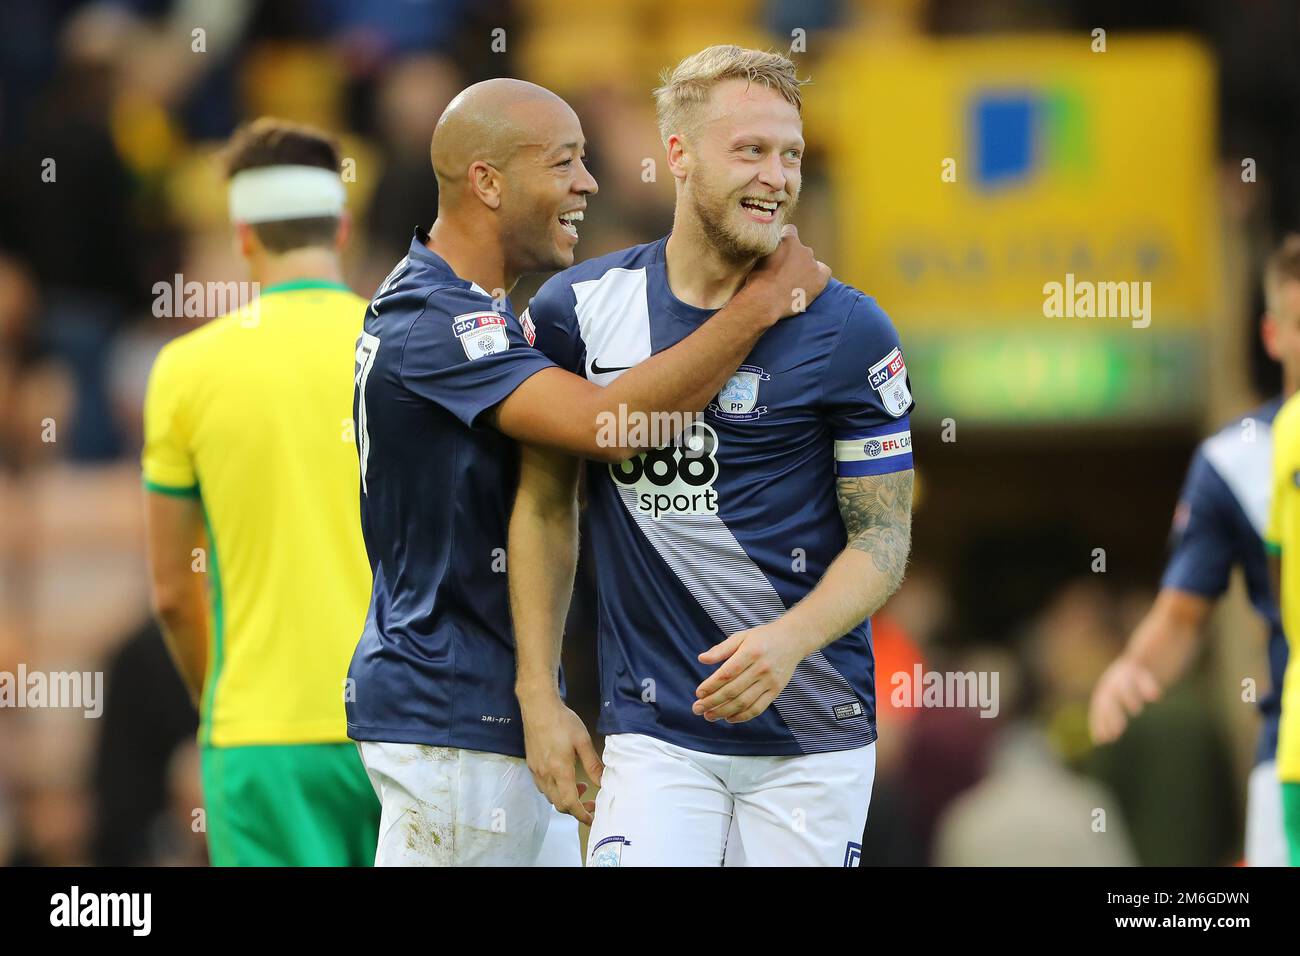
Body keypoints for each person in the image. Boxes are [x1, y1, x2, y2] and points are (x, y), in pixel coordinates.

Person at [346, 77, 828, 866]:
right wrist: (759, 306)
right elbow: (609, 428)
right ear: (488, 182)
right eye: (564, 162)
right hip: (452, 712)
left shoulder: (460, 306)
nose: (589, 183)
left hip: (482, 708)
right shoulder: (435, 321)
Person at [510, 45, 915, 867]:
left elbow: (883, 541)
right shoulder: (577, 313)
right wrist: (539, 694)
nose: (776, 176)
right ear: (679, 154)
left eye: (791, 154)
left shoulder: (852, 329)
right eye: (751, 150)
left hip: (813, 735)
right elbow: (546, 509)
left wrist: (790, 639)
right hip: (654, 735)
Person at [142, 118, 379, 865]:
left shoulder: (184, 370)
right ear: (342, 228)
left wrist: (219, 697)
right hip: (410, 722)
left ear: (243, 237)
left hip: (262, 736)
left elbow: (175, 595)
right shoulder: (406, 347)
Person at [1090, 236, 1300, 866]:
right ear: (1273, 335)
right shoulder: (1237, 460)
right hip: (1290, 756)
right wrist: (1135, 667)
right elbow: (1183, 614)